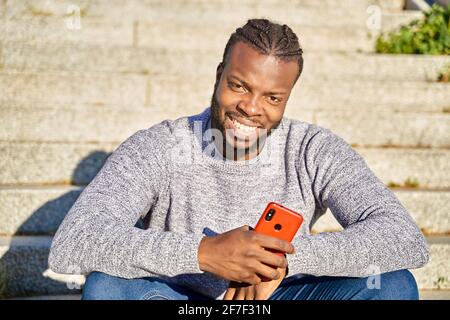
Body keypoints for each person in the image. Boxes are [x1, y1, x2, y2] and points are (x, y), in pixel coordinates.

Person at [49, 19, 428, 300]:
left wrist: (278, 262)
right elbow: (75, 241)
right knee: (107, 289)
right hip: (182, 301)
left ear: (287, 98)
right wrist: (203, 255)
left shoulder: (312, 148)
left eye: (272, 97)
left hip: (278, 297)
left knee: (393, 286)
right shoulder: (159, 146)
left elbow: (403, 236)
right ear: (219, 76)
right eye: (239, 85)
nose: (251, 107)